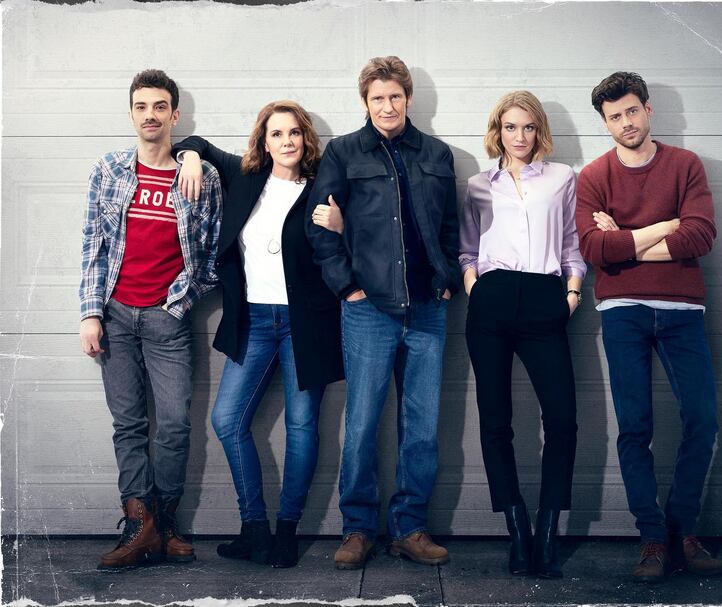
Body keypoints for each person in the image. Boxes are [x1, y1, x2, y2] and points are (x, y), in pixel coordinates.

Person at [173, 100, 344, 568]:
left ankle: (287, 531)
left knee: (302, 426)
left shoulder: (323, 189)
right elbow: (196, 143)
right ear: (263, 141)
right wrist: (190, 156)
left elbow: (358, 243)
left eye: (294, 133)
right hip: (253, 320)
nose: (286, 141)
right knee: (227, 420)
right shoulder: (246, 177)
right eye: (276, 134)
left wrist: (341, 225)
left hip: (304, 325)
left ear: (305, 139)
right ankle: (254, 529)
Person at [306, 56, 460, 570]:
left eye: (395, 96)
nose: (387, 106)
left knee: (422, 426)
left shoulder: (437, 154)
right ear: (365, 102)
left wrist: (445, 282)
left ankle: (410, 528)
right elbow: (319, 230)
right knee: (363, 422)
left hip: (426, 311)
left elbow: (449, 227)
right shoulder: (344, 153)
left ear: (408, 98)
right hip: (368, 310)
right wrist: (346, 288)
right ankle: (357, 529)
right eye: (377, 98)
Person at [576, 72, 722, 583]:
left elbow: (701, 234)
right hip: (623, 312)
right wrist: (665, 227)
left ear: (648, 110)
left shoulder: (685, 166)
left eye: (632, 111)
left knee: (702, 420)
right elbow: (595, 252)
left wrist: (631, 240)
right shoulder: (594, 176)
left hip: (683, 311)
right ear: (604, 122)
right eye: (614, 116)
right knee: (635, 427)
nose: (626, 122)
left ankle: (684, 530)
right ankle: (653, 538)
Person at [79, 69, 222, 570]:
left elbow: (209, 258)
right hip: (115, 316)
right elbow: (94, 246)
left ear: (175, 115)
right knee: (129, 423)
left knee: (176, 425)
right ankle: (138, 524)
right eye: (142, 107)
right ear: (131, 113)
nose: (151, 116)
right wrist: (91, 313)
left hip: (167, 320)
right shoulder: (111, 170)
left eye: (160, 107)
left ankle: (163, 523)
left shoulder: (198, 176)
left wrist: (175, 303)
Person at [459, 91, 585, 578]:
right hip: (490, 300)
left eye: (528, 127)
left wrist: (571, 295)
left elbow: (572, 242)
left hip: (543, 297)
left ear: (540, 131)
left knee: (563, 419)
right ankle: (516, 528)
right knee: (496, 421)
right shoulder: (478, 184)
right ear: (498, 131)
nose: (519, 137)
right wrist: (475, 288)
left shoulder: (562, 178)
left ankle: (548, 531)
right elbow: (467, 249)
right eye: (510, 127)